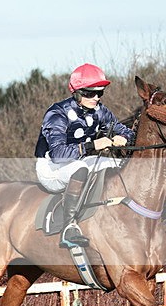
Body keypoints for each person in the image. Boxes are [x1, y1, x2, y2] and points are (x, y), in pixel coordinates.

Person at [34, 63, 132, 247]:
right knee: (79, 168)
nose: (95, 98)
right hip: (51, 168)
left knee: (117, 166)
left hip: (81, 160)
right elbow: (58, 154)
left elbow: (125, 130)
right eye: (89, 93)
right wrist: (93, 145)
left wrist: (123, 137)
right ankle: (69, 227)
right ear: (77, 92)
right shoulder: (56, 114)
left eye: (99, 93)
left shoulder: (100, 111)